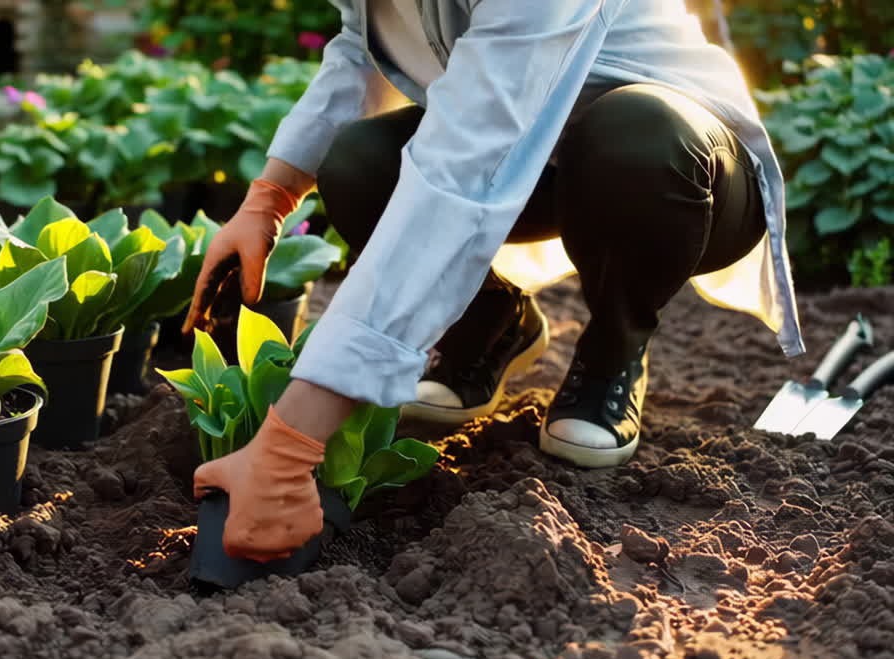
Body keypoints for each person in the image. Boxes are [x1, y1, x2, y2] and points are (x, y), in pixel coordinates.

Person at [182, 0, 803, 562]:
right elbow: (361, 46)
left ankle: (614, 348)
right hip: (541, 152)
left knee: (635, 137)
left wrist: (293, 441)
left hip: (682, 164)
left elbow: (464, 172)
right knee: (359, 165)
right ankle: (494, 323)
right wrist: (270, 196)